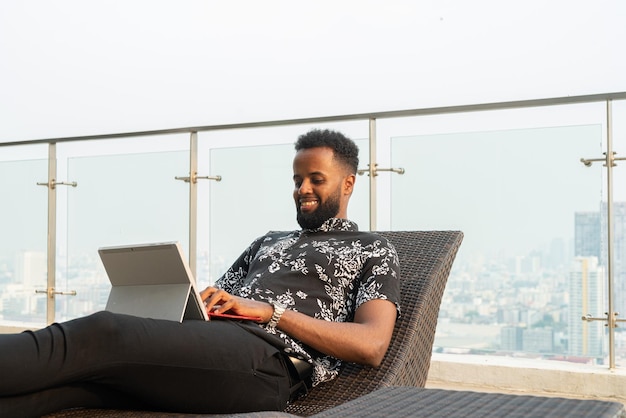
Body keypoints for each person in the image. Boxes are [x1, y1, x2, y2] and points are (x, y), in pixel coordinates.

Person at [0, 128, 400, 417]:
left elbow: (371, 345)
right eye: (297, 180)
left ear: (348, 184)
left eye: (317, 179)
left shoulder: (372, 249)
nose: (303, 189)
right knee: (76, 388)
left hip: (269, 363)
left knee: (105, 333)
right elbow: (219, 302)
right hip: (213, 346)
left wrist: (269, 312)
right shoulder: (269, 240)